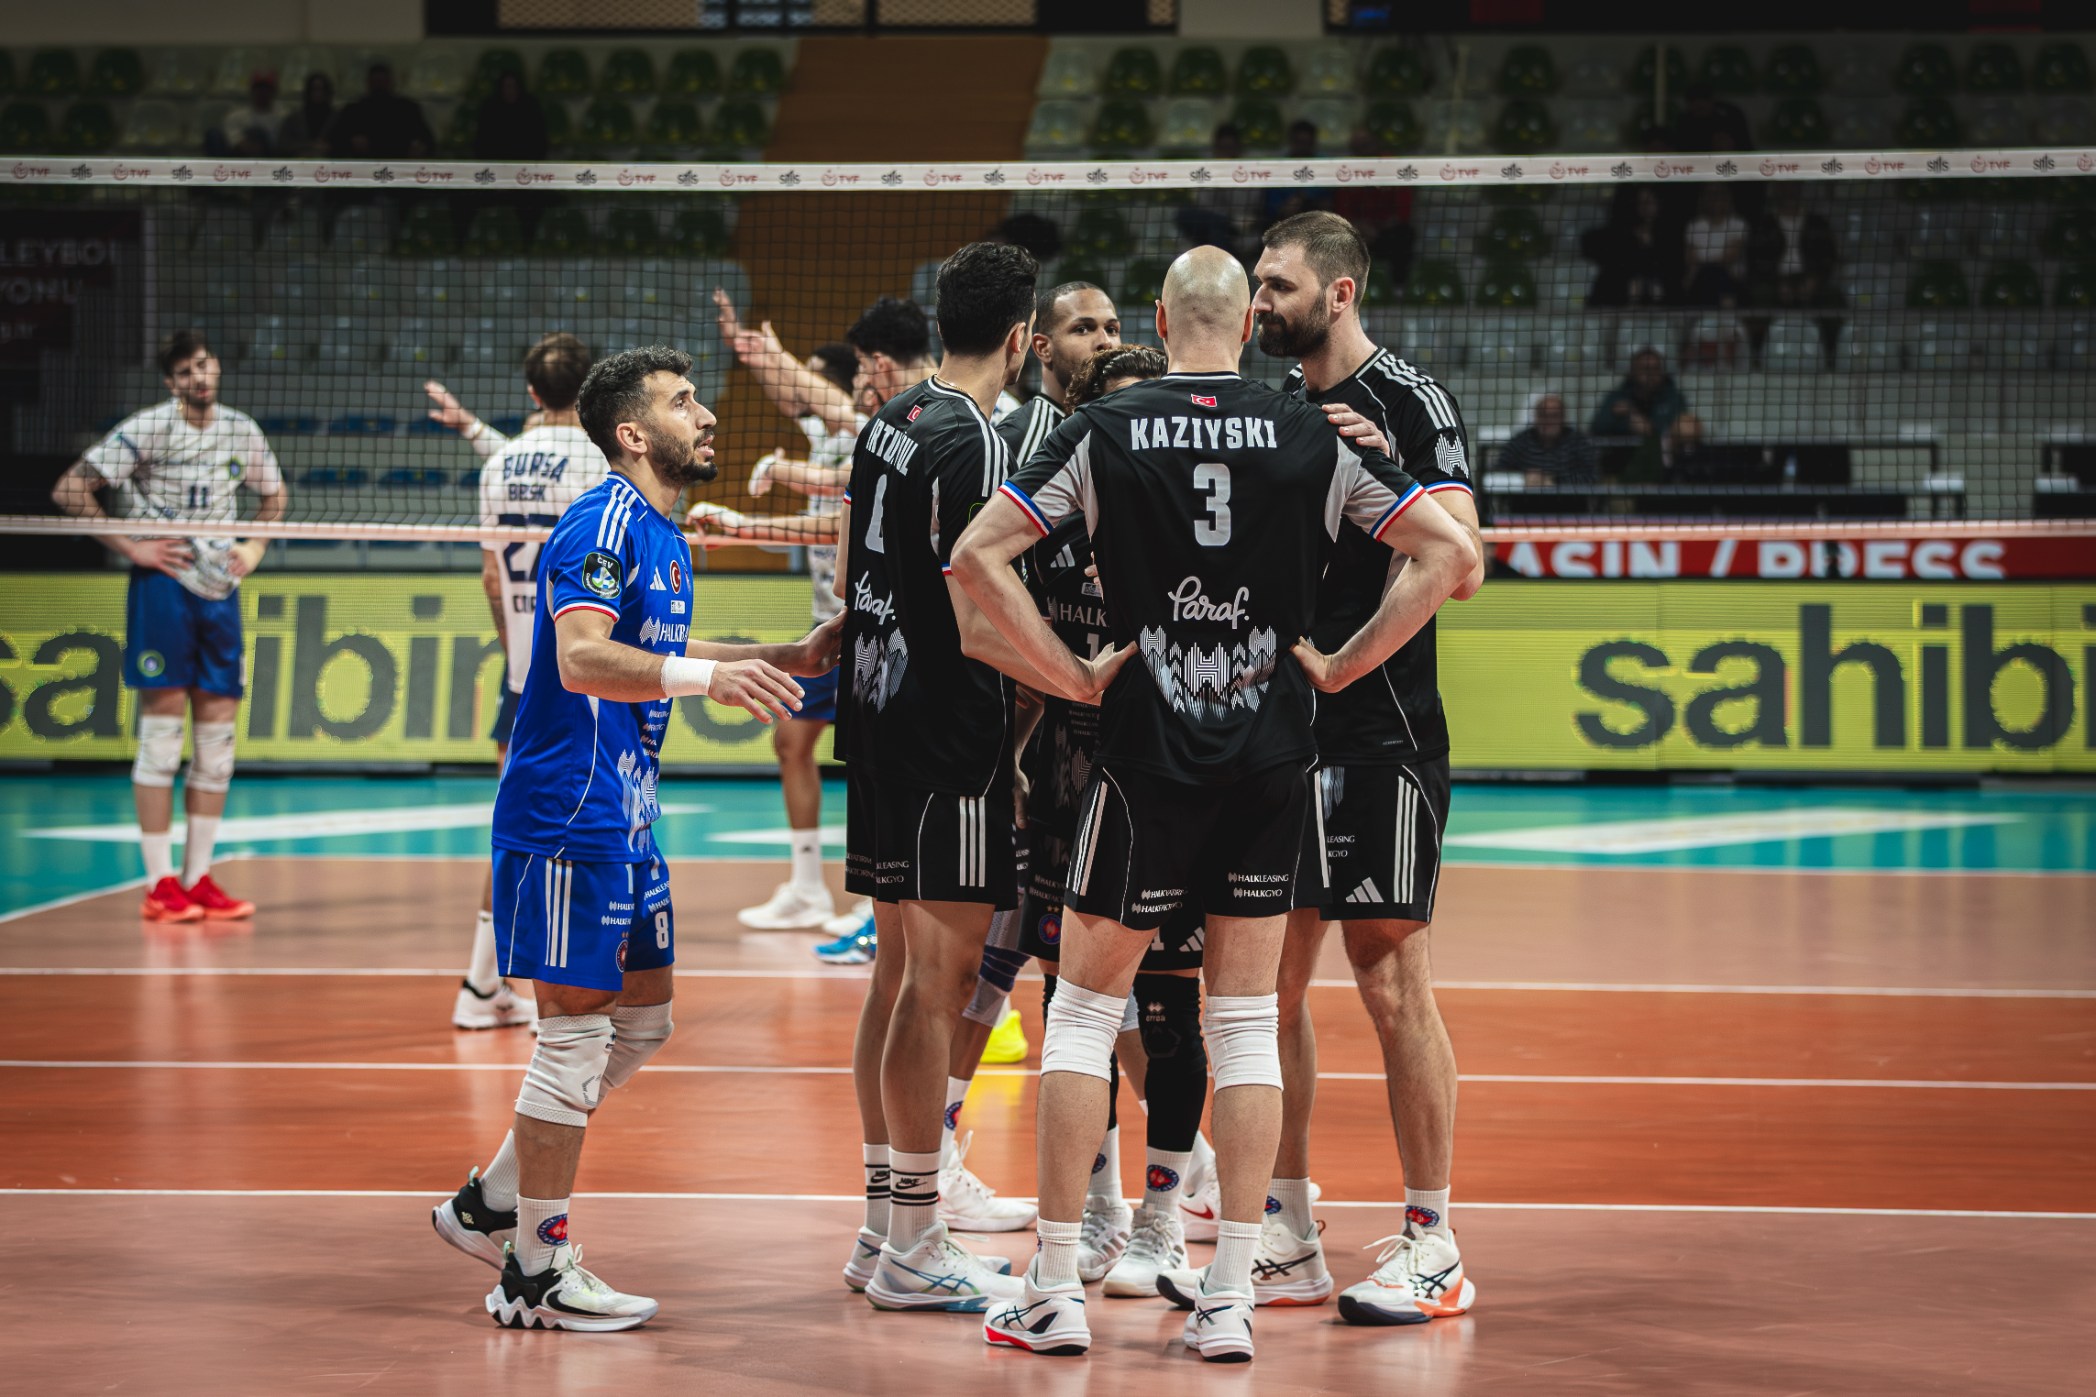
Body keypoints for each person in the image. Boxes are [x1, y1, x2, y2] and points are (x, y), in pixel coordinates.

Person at [959, 245, 1476, 1362]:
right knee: (1244, 1025)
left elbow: (973, 559)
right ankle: (1233, 1292)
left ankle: (1053, 1287)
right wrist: (1340, 663)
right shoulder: (1314, 430)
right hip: (1271, 759)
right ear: (1245, 326)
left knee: (1081, 1016)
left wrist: (1068, 674)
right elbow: (1449, 552)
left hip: (1145, 756)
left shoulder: (1102, 427)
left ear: (1157, 318)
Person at [429, 345, 841, 1331]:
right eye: (683, 401)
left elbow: (653, 646)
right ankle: (534, 1269)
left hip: (626, 805)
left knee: (643, 1022)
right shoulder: (601, 520)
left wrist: (774, 654)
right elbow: (579, 657)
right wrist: (707, 681)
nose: (705, 414)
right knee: (572, 1036)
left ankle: (491, 1200)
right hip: (568, 809)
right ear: (632, 433)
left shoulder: (662, 532)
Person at [1255, 210, 1488, 1325]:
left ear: (1338, 293)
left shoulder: (1410, 400)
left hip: (1381, 729)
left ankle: (1433, 1243)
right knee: (1268, 983)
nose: (1261, 301)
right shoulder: (1269, 405)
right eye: (1256, 283)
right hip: (1279, 731)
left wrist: (1346, 663)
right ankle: (1287, 1228)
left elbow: (1463, 561)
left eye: (1278, 284)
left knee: (1389, 976)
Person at [51, 330, 287, 924]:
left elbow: (274, 498)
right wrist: (132, 546)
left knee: (217, 747)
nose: (197, 378)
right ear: (170, 382)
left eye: (203, 365)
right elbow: (70, 488)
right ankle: (159, 884)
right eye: (184, 372)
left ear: (217, 367)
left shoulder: (242, 431)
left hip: (220, 592)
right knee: (161, 740)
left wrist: (254, 549)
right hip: (163, 587)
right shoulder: (149, 427)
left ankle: (198, 878)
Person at [424, 333, 604, 1030]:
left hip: (525, 670)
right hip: (587, 668)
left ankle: (484, 984)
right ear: (590, 391)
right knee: (582, 828)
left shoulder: (499, 464)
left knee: (519, 827)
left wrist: (516, 653)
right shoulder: (601, 463)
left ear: (532, 392)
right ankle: (552, 997)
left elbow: (492, 575)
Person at [1581, 187, 1676, 307]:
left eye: (1649, 202)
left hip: (1655, 305)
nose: (1645, 207)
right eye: (1641, 203)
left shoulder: (1667, 237)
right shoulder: (1619, 236)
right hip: (1618, 304)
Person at [330, 61, 434, 160]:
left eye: (383, 81)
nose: (379, 85)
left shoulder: (408, 109)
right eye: (376, 81)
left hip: (401, 162)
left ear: (391, 82)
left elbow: (428, 141)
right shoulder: (354, 110)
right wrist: (350, 142)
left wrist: (420, 147)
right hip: (363, 163)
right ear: (368, 83)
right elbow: (335, 141)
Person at [1499, 392, 1598, 486]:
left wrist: (1554, 481)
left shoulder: (1578, 442)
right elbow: (1499, 471)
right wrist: (1523, 478)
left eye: (1554, 416)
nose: (1548, 421)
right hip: (1525, 496)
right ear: (1536, 417)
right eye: (1543, 415)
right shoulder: (1521, 441)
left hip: (1567, 497)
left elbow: (1593, 477)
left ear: (1563, 418)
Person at [1591, 348, 1687, 445]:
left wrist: (1648, 428)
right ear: (1633, 371)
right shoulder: (1617, 397)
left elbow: (1681, 430)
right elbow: (1596, 428)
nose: (1650, 374)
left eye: (1655, 369)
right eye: (1645, 369)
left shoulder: (1673, 398)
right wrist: (1620, 419)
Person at [1683, 184, 1749, 308]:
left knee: (1717, 273)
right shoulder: (1694, 225)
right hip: (1701, 280)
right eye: (1711, 195)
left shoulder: (1738, 224)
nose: (1715, 199)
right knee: (1708, 274)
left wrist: (1703, 260)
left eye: (1719, 194)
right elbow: (1690, 258)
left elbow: (1731, 257)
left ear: (1727, 198)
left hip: (1731, 279)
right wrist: (1716, 260)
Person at [474, 70, 550, 162]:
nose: (510, 91)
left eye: (514, 87)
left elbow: (539, 140)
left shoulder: (531, 107)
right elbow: (482, 141)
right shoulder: (490, 108)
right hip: (495, 163)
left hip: (526, 162)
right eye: (507, 87)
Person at [212, 71, 281, 156]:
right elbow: (234, 140)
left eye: (266, 89)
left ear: (274, 92)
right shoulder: (236, 116)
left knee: (258, 133)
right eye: (259, 89)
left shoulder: (282, 117)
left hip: (269, 158)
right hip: (239, 156)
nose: (262, 93)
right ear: (252, 91)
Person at [277, 73, 335, 155]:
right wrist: (310, 145)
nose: (318, 94)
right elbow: (283, 145)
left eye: (321, 90)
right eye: (314, 89)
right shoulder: (294, 119)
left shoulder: (336, 119)